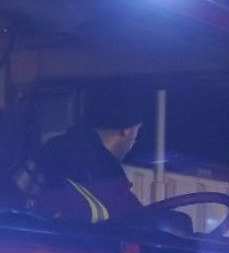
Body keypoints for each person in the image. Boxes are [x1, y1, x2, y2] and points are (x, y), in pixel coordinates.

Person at [30, 87, 148, 222]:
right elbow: (133, 224)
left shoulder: (50, 149)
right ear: (126, 131)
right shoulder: (105, 175)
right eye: (137, 132)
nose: (134, 141)